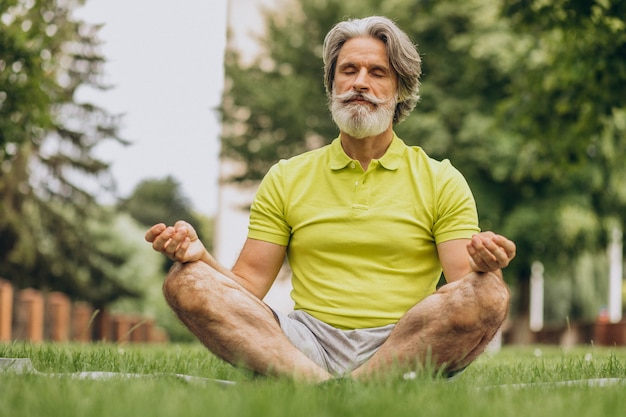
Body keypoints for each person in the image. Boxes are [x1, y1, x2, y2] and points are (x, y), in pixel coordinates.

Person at [145, 16, 516, 383]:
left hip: (404, 345)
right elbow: (246, 288)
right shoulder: (287, 177)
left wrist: (488, 266)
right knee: (185, 281)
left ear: (400, 89)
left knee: (490, 292)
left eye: (377, 73)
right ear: (332, 83)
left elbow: (465, 291)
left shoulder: (441, 180)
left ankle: (345, 388)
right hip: (305, 346)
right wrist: (201, 257)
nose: (360, 82)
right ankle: (321, 386)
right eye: (348, 70)